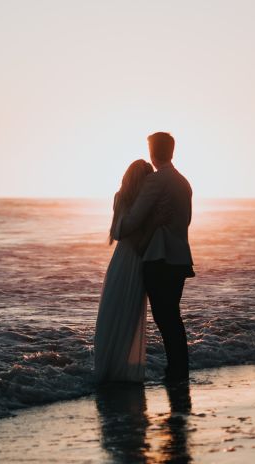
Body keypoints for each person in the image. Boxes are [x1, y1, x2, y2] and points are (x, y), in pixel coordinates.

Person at [118, 132, 194, 382]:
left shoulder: (157, 181)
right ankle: (178, 369)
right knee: (172, 316)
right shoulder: (184, 182)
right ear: (171, 151)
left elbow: (133, 221)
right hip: (180, 258)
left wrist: (120, 220)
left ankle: (176, 372)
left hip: (159, 259)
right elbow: (187, 221)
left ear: (152, 152)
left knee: (165, 318)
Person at [93, 159, 155, 383]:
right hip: (135, 259)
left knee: (118, 310)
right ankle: (117, 368)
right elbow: (119, 231)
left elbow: (118, 232)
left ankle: (111, 367)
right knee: (124, 312)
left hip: (124, 259)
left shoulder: (131, 199)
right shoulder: (135, 200)